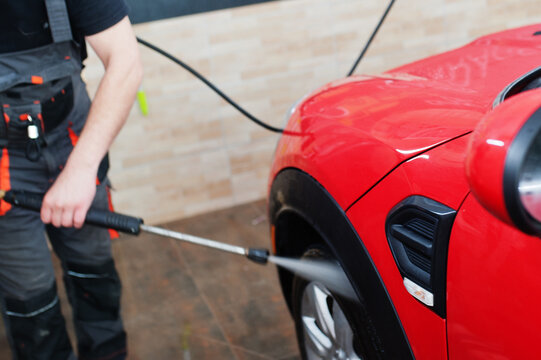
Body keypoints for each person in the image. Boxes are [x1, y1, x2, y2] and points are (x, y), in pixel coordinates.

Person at [0, 0, 143, 359]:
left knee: (96, 277)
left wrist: (81, 170)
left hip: (72, 137)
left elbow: (125, 62)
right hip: (4, 164)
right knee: (31, 305)